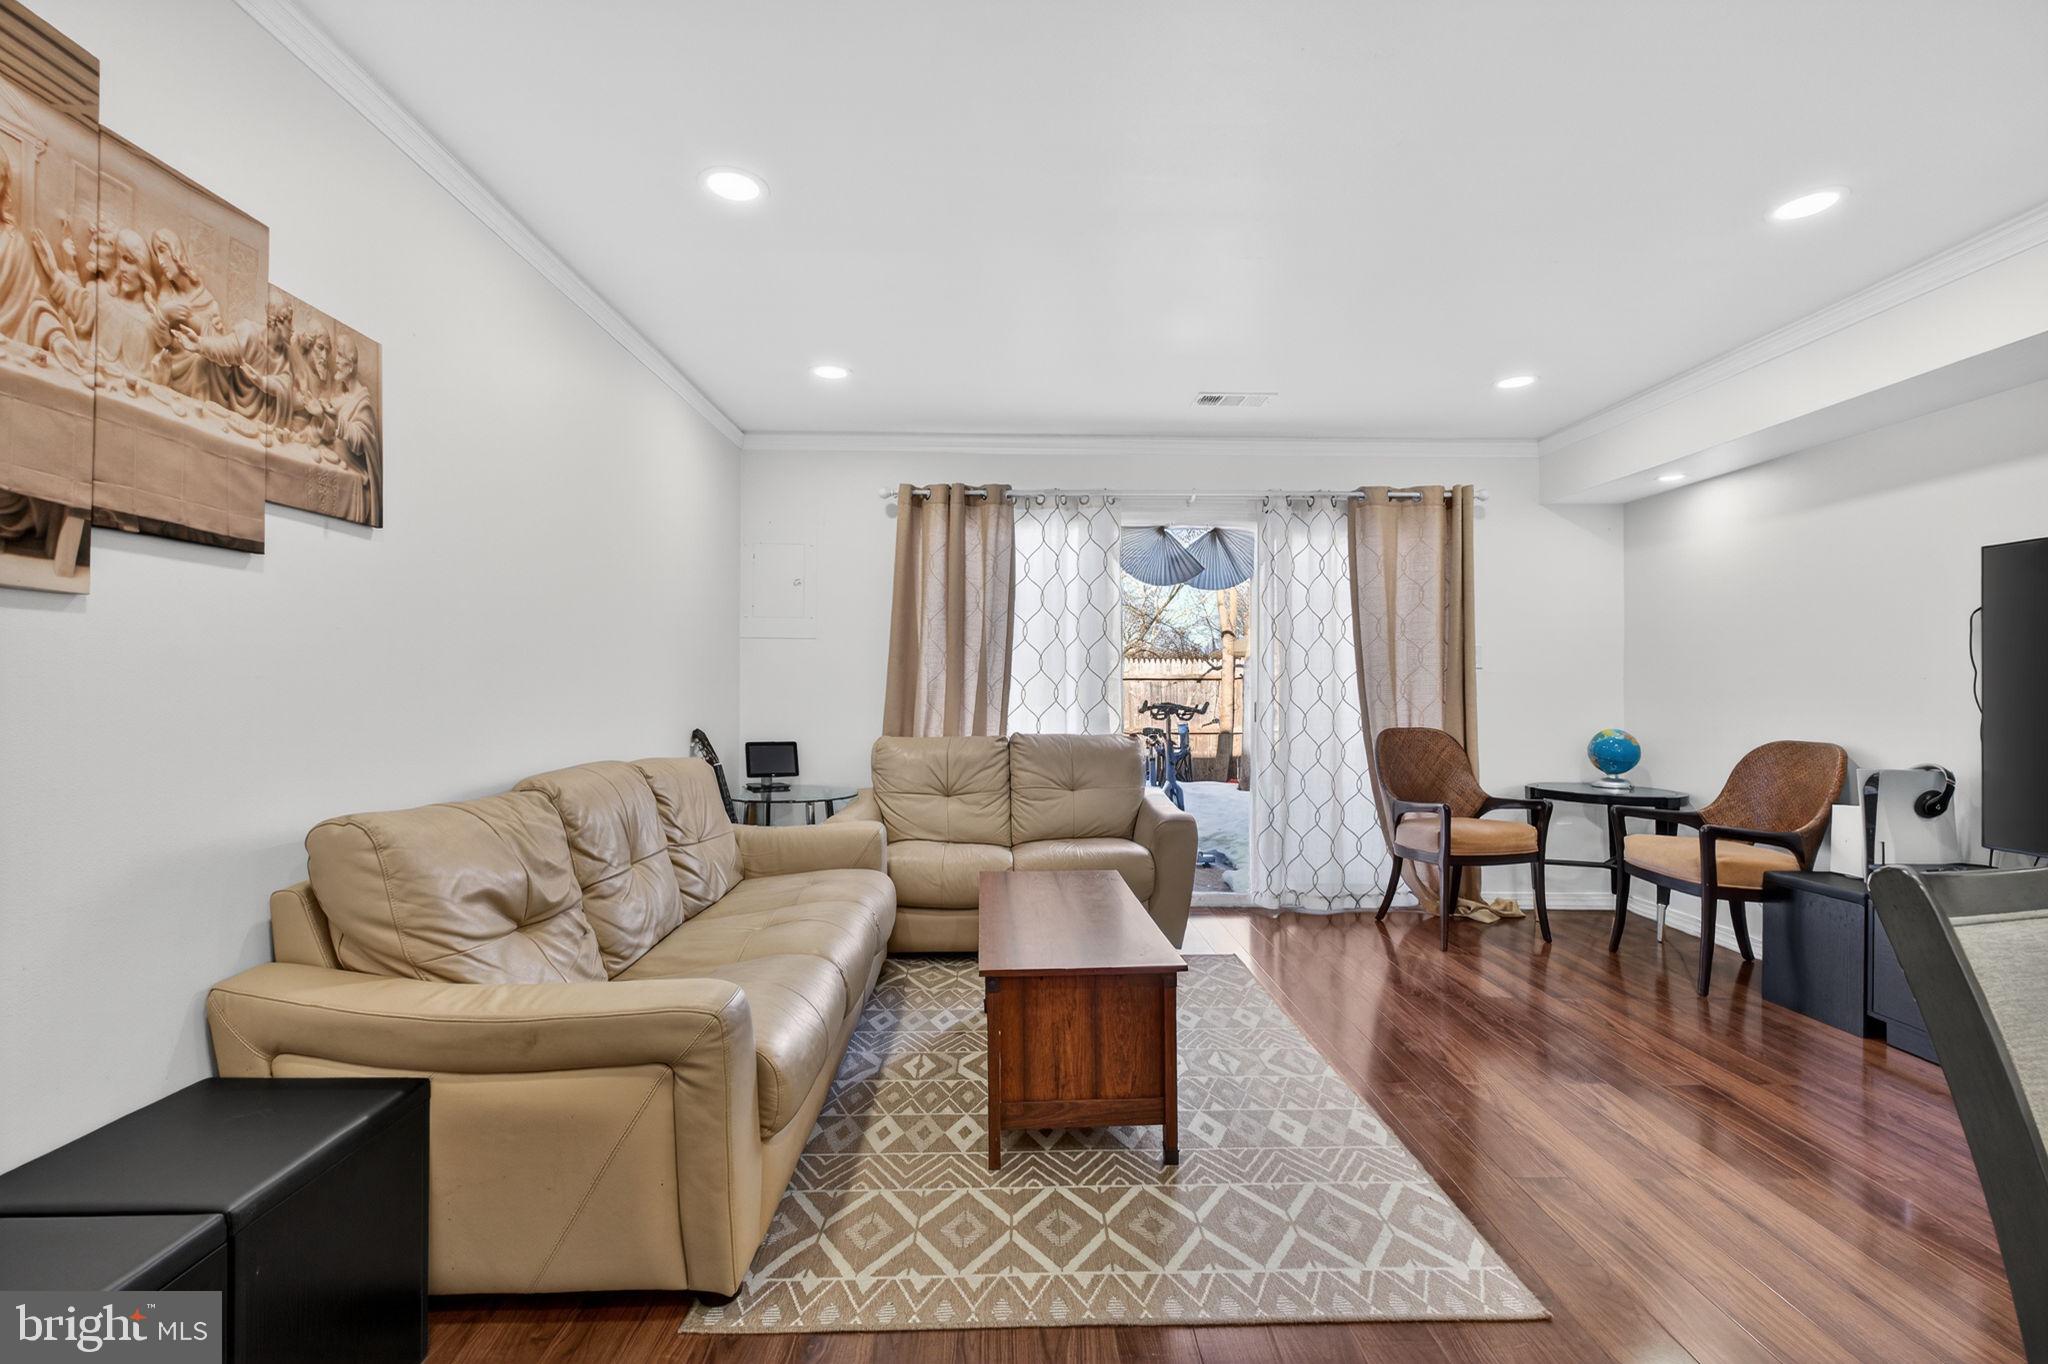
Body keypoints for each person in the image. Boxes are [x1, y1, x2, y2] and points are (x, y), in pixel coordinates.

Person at [328, 331, 380, 524]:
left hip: (356, 477)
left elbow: (360, 440)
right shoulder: (345, 396)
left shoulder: (363, 401)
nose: (336, 360)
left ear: (349, 366)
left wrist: (337, 421)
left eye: (340, 355)